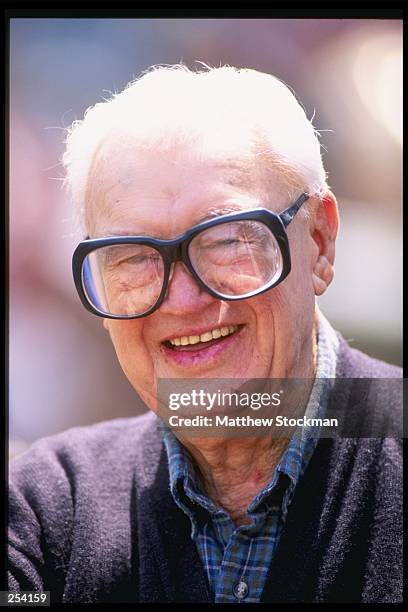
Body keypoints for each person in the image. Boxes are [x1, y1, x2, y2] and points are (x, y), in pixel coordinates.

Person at [8, 64, 402, 603]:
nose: (182, 299)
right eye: (133, 257)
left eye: (226, 240)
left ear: (320, 241)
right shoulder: (47, 511)